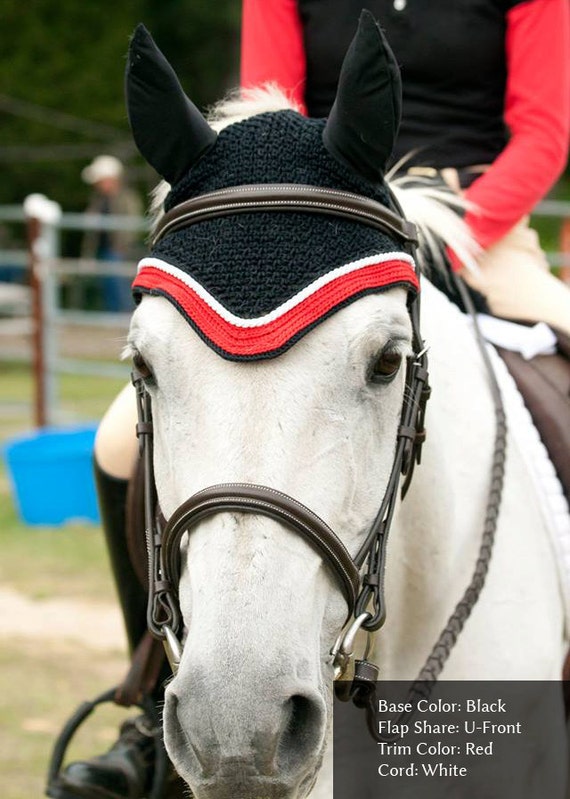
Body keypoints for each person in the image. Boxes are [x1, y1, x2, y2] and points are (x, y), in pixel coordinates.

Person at [48, 5, 570, 798]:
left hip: (481, 231)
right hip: (323, 228)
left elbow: (544, 132)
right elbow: (273, 104)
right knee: (120, 439)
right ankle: (155, 704)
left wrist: (440, 234)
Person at [241, 0, 570, 335]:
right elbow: (272, 118)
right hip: (330, 220)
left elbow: (542, 137)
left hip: (475, 229)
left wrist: (447, 240)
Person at [81, 154, 143, 312]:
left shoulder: (127, 198)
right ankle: (113, 319)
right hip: (103, 250)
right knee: (108, 288)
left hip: (120, 252)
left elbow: (132, 225)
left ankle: (123, 318)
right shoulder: (98, 200)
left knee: (119, 289)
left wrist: (121, 247)